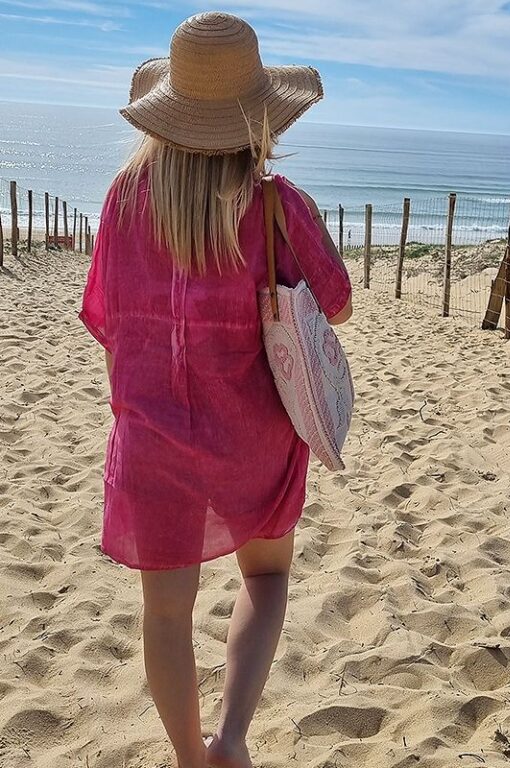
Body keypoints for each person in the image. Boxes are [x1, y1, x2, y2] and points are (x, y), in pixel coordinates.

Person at [78, 12, 352, 768]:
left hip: (148, 439)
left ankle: (189, 760)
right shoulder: (274, 204)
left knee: (164, 615)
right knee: (267, 577)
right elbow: (336, 300)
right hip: (250, 438)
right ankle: (230, 740)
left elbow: (106, 321)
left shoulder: (123, 198)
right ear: (260, 117)